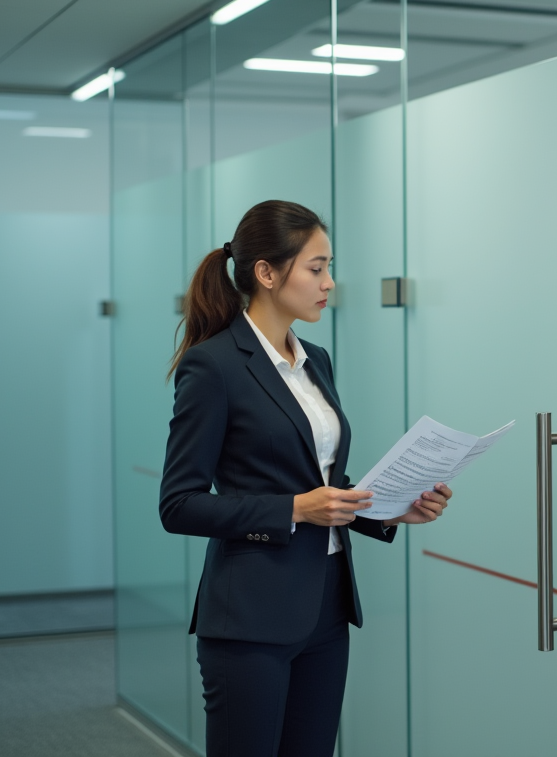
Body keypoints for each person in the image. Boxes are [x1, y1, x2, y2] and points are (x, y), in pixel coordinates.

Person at [158, 200, 451, 757]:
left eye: (329, 267)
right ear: (266, 273)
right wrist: (293, 509)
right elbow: (180, 505)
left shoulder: (315, 357)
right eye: (316, 268)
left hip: (326, 606)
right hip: (249, 619)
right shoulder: (213, 366)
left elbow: (323, 483)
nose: (329, 283)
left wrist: (388, 509)